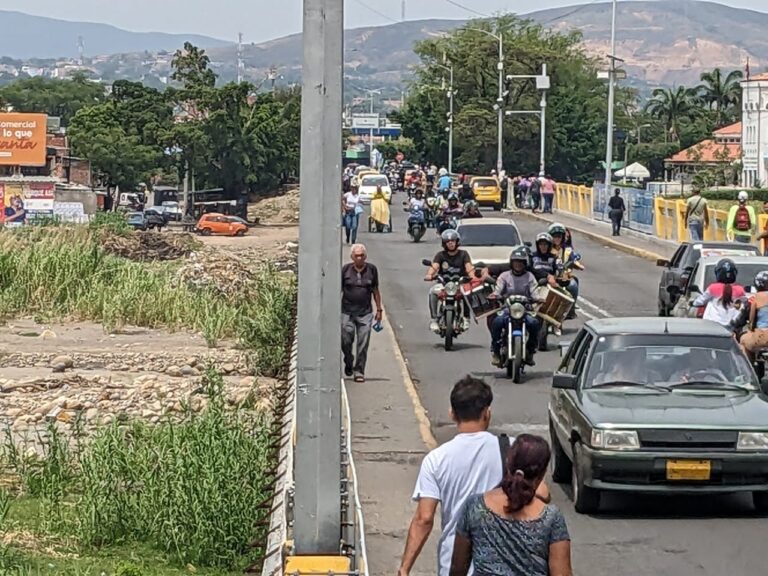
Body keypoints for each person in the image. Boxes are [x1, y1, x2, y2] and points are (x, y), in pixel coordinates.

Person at [398, 377, 550, 576]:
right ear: (487, 413)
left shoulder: (436, 460)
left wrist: (404, 568)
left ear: (452, 414)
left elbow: (424, 519)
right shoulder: (511, 450)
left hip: (453, 563)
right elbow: (543, 493)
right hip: (505, 564)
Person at [450, 434, 572, 576]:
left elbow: (458, 568)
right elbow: (562, 573)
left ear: (508, 463)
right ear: (542, 474)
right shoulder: (551, 518)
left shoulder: (475, 507)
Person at [487, 247, 540, 367]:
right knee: (497, 322)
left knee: (534, 323)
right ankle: (495, 351)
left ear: (525, 263)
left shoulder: (530, 276)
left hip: (524, 310)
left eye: (521, 262)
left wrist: (537, 298)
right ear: (511, 263)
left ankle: (531, 351)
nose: (518, 265)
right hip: (507, 309)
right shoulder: (504, 276)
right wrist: (495, 295)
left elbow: (534, 291)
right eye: (516, 262)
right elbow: (498, 289)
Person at [341, 244, 383, 382]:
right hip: (347, 312)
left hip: (365, 313)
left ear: (365, 256)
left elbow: (375, 290)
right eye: (356, 256)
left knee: (363, 343)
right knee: (346, 340)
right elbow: (339, 289)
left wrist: (379, 309)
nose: (359, 258)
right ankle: (348, 359)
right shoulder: (346, 270)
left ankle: (359, 371)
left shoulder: (372, 270)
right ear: (352, 257)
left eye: (362, 255)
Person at [425, 229, 474, 333]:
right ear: (444, 243)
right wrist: (429, 275)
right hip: (444, 284)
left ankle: (466, 318)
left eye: (452, 241)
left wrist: (472, 276)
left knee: (468, 292)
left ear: (457, 242)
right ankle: (434, 319)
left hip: (460, 284)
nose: (450, 243)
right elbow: (434, 267)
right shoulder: (440, 255)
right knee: (432, 292)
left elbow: (469, 267)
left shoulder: (463, 254)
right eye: (448, 241)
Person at [692, 258, 746, 328]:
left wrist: (693, 303)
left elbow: (699, 301)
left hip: (712, 325)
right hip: (732, 326)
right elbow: (745, 304)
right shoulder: (740, 290)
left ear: (717, 273)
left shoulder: (713, 288)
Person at [733, 271, 768, 360]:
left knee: (743, 340)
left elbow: (750, 323)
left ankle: (749, 369)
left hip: (761, 338)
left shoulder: (755, 299)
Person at [549, 223, 583, 307]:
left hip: (564, 277)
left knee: (573, 285)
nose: (557, 239)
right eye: (554, 236)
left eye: (559, 236)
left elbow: (573, 260)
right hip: (550, 277)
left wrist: (578, 265)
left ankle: (571, 308)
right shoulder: (546, 249)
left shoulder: (568, 250)